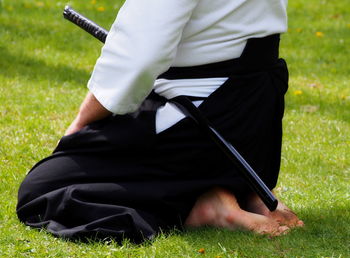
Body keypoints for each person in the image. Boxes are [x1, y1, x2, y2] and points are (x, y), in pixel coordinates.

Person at [16, 0, 303, 243]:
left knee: (43, 187)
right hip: (255, 125)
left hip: (202, 121)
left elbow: (138, 55)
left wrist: (78, 127)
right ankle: (244, 188)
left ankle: (203, 206)